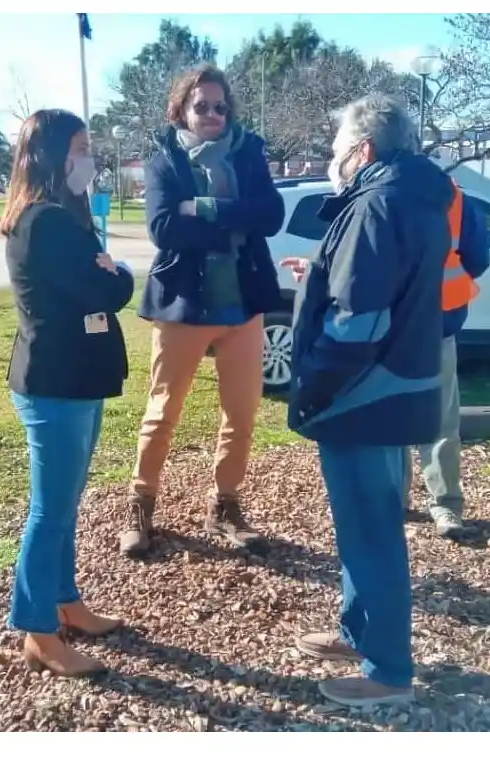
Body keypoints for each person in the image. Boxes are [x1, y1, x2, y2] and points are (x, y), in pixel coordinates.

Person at [279, 93, 454, 707]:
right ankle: (360, 631)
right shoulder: (411, 196)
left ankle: (388, 671)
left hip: (365, 395)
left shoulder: (375, 203)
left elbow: (359, 324)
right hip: (395, 386)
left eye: (336, 150)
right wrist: (323, 273)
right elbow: (375, 286)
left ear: (365, 149)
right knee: (362, 527)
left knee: (372, 531)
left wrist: (314, 388)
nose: (334, 160)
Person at [119, 64, 286, 558]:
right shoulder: (165, 159)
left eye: (219, 106)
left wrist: (206, 209)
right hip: (183, 305)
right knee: (162, 412)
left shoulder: (248, 153)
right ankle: (141, 503)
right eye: (201, 106)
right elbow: (164, 228)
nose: (212, 114)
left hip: (243, 304)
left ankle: (225, 504)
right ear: (182, 110)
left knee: (242, 413)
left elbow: (271, 216)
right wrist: (236, 218)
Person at [0, 109, 137, 678]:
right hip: (56, 385)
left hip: (76, 379)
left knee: (63, 507)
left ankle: (67, 603)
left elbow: (98, 286)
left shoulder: (62, 215)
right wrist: (120, 271)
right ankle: (38, 632)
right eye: (80, 147)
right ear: (53, 154)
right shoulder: (44, 222)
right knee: (49, 512)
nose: (90, 158)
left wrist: (109, 271)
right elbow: (102, 289)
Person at [407, 179, 490, 540]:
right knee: (441, 420)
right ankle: (446, 506)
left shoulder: (376, 193)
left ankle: (391, 500)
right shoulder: (455, 198)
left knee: (389, 415)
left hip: (392, 327)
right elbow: (478, 259)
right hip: (439, 321)